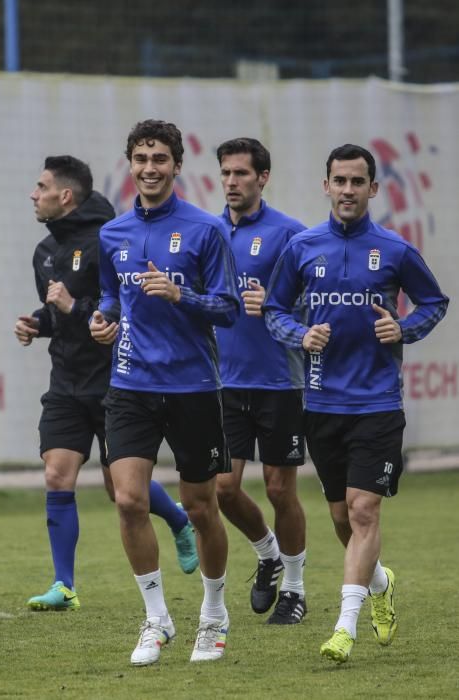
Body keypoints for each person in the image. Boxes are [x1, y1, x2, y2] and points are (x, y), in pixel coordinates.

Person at [263, 143, 448, 663]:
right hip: (321, 404)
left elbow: (434, 301)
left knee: (365, 510)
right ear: (326, 186)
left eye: (357, 181)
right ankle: (380, 581)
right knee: (343, 518)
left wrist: (403, 327)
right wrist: (300, 335)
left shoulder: (394, 249)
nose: (347, 190)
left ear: (373, 188)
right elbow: (275, 311)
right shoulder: (302, 247)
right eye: (338, 181)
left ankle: (344, 627)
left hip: (378, 404)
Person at [15, 155, 198, 612]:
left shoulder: (108, 241)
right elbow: (63, 316)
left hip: (114, 380)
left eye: (41, 187)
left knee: (122, 491)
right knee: (57, 474)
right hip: (66, 383)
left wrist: (72, 306)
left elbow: (117, 308)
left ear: (66, 195)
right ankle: (64, 585)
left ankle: (178, 520)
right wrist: (38, 323)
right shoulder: (43, 252)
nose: (34, 195)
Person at [90, 120, 240, 665]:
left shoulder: (205, 230)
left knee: (202, 509)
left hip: (194, 386)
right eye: (140, 158)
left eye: (159, 159)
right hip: (130, 383)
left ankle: (214, 614)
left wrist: (181, 294)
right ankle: (156, 620)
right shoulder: (112, 234)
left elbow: (227, 308)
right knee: (128, 498)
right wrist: (102, 320)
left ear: (177, 166)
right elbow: (110, 295)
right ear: (130, 164)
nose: (149, 168)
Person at [214, 138, 308, 624]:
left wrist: (274, 302)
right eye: (226, 173)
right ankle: (268, 553)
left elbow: (315, 302)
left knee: (278, 490)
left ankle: (294, 588)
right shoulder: (208, 232)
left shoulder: (292, 234)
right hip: (223, 383)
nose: (232, 182)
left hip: (278, 381)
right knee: (224, 490)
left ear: (263, 178)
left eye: (242, 174)